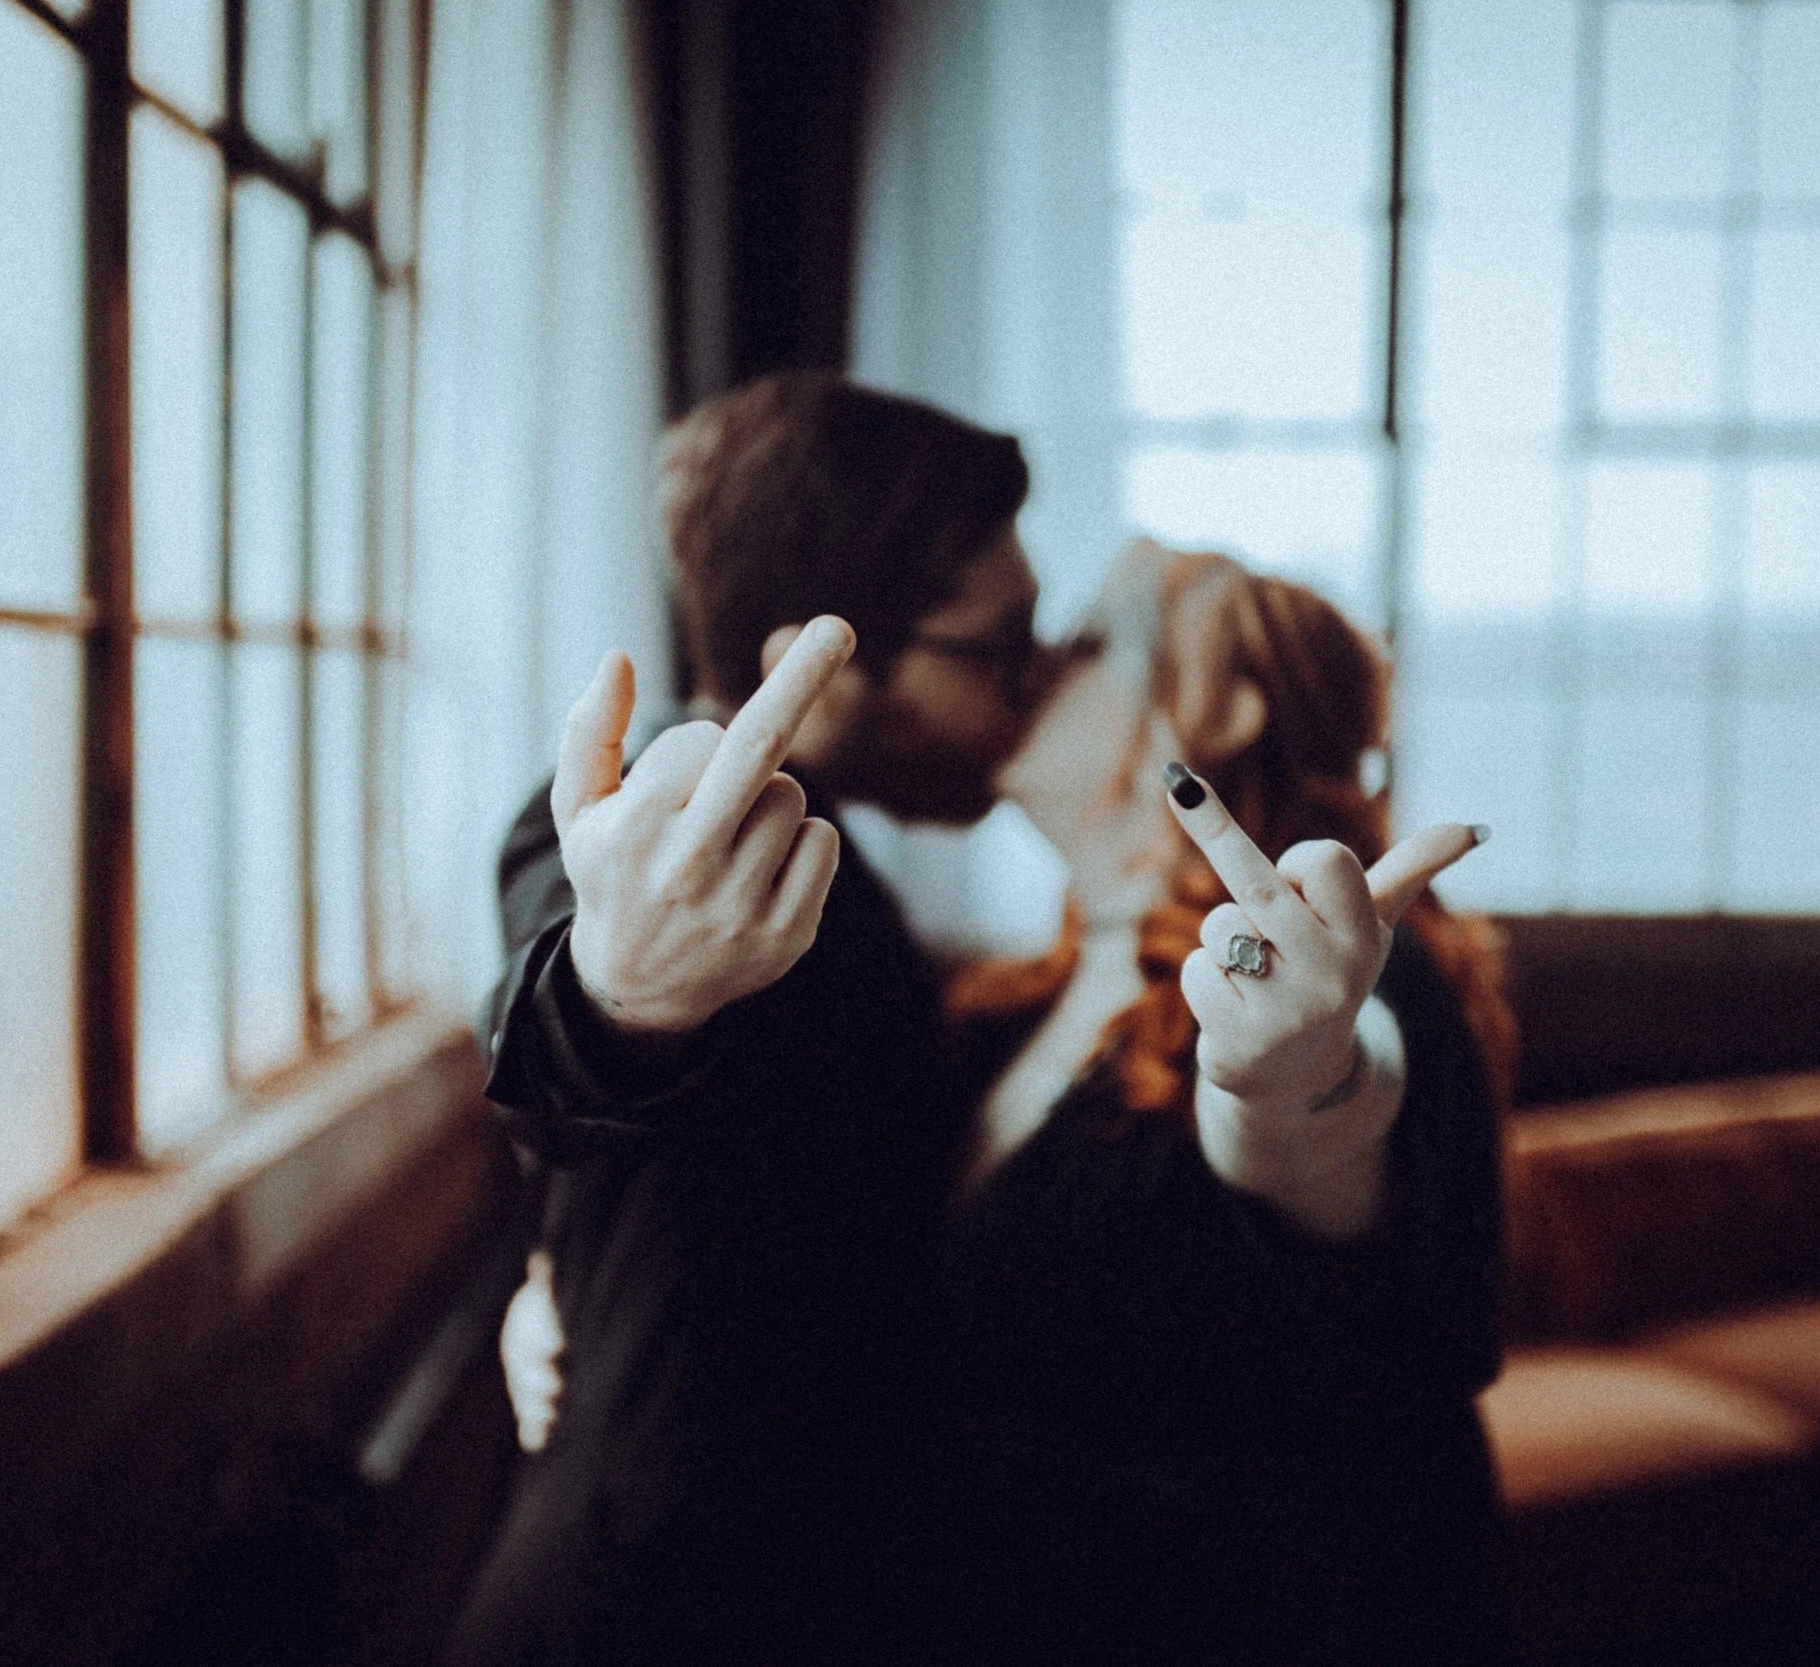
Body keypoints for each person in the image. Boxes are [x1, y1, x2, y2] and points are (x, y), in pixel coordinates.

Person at [492, 529, 1518, 1663]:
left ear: (1219, 707)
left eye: (1081, 643)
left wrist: (1295, 1081)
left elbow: (1319, 1131)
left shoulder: (1351, 975)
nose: (1029, 663)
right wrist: (568, 1285)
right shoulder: (1010, 1008)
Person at [447, 372, 1042, 1667]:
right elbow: (562, 1031)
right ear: (807, 663)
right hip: (656, 1608)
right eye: (996, 648)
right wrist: (624, 993)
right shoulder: (657, 820)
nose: (1027, 687)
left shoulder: (836, 870)